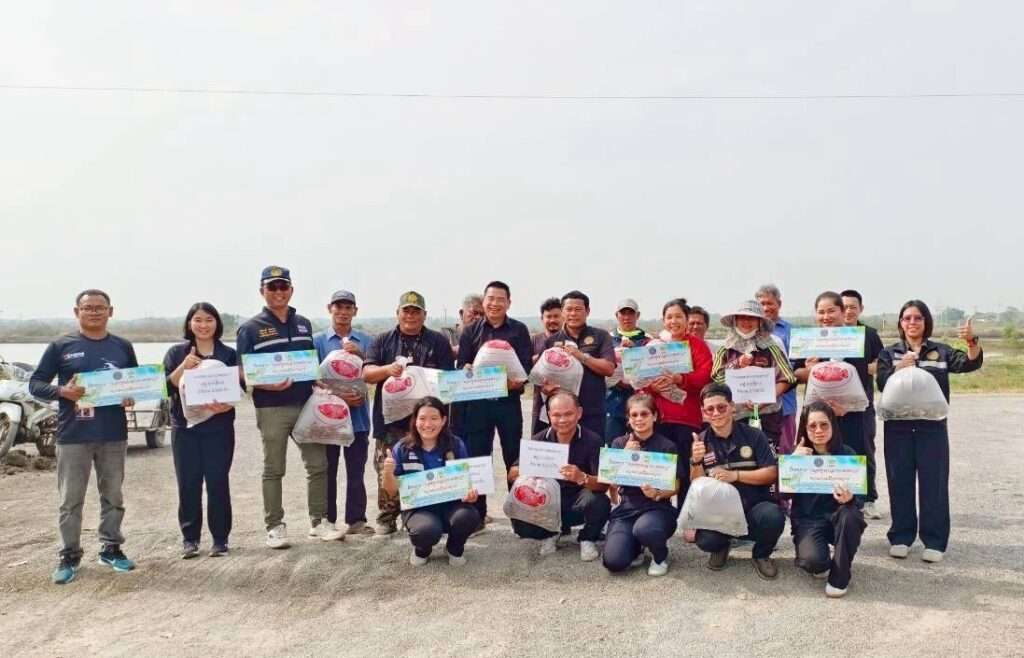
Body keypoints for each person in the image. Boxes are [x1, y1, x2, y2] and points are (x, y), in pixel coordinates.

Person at [30, 289, 139, 584]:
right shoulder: (60, 346)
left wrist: (130, 396)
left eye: (100, 307)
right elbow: (35, 384)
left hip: (113, 433)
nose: (94, 312)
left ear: (110, 311)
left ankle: (111, 548)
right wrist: (61, 391)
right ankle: (69, 554)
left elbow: (134, 384)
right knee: (70, 499)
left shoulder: (123, 346)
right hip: (73, 434)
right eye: (88, 307)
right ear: (77, 311)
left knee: (113, 495)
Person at [876, 300, 982, 563]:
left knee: (934, 483)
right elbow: (881, 382)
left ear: (926, 322)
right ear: (901, 323)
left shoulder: (941, 352)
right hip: (898, 427)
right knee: (899, 481)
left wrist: (972, 342)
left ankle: (934, 541)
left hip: (932, 427)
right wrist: (899, 368)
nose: (912, 322)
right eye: (907, 318)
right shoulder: (889, 353)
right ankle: (901, 537)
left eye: (918, 318)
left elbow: (969, 363)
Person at [236, 266, 326, 549]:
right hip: (272, 408)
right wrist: (265, 385)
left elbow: (309, 362)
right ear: (262, 291)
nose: (278, 292)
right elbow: (241, 371)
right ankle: (274, 526)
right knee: (274, 469)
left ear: (291, 290)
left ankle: (319, 522)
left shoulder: (304, 324)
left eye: (283, 286)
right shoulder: (250, 328)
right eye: (272, 287)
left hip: (306, 405)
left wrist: (317, 381)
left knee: (318, 465)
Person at [363, 291, 455, 536]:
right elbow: (367, 374)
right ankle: (387, 516)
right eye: (406, 311)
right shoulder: (383, 340)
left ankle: (426, 514)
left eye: (416, 311)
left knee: (428, 466)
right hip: (391, 423)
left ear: (425, 315)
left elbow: (449, 379)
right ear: (398, 313)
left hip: (427, 423)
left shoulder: (438, 341)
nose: (411, 316)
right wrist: (388, 370)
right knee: (388, 466)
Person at [163, 303, 239, 559]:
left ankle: (220, 539)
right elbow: (166, 387)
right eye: (198, 320)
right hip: (185, 429)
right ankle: (190, 539)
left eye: (209, 319)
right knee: (188, 483)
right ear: (189, 324)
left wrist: (226, 405)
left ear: (217, 323)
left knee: (218, 482)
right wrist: (184, 366)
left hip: (219, 427)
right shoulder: (176, 352)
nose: (203, 325)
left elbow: (237, 389)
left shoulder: (228, 354)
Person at [456, 281, 532, 527]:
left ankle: (519, 515)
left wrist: (511, 382)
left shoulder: (519, 330)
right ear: (484, 301)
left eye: (501, 299)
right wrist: (467, 369)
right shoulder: (470, 331)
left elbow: (526, 369)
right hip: (478, 406)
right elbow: (462, 366)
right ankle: (477, 515)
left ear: (509, 303)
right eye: (490, 298)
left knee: (514, 456)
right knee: (479, 459)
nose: (495, 303)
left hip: (508, 404)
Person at [691, 383, 786, 580]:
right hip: (721, 513)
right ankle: (721, 547)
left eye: (721, 407)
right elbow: (697, 486)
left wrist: (736, 476)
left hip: (753, 508)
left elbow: (771, 473)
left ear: (732, 407)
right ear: (703, 412)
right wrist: (696, 461)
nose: (716, 413)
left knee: (773, 516)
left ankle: (761, 555)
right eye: (710, 409)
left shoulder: (754, 435)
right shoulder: (700, 440)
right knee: (705, 539)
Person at [508, 392, 610, 561]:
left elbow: (603, 485)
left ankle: (587, 538)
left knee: (599, 501)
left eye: (568, 414)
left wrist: (582, 477)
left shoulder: (593, 440)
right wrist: (527, 470)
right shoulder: (538, 440)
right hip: (547, 500)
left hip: (577, 501)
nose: (562, 420)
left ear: (579, 413)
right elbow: (512, 474)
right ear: (549, 415)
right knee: (520, 523)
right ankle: (550, 533)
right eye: (556, 415)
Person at [380, 397, 481, 566]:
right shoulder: (402, 448)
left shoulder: (455, 444)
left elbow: (467, 481)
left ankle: (454, 548)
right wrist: (388, 472)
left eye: (434, 418)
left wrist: (470, 492)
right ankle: (422, 550)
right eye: (422, 418)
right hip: (418, 509)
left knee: (468, 516)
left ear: (443, 420)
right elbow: (391, 490)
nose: (427, 424)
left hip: (451, 505)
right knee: (426, 530)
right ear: (415, 420)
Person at [793, 292, 871, 500]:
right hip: (815, 416)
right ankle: (810, 512)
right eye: (821, 312)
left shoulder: (856, 340)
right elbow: (796, 374)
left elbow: (862, 378)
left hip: (848, 415)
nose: (826, 316)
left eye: (831, 311)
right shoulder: (808, 341)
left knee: (848, 462)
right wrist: (809, 369)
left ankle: (852, 506)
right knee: (812, 462)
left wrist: (847, 407)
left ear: (842, 312)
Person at [312, 290, 375, 538]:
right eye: (338, 307)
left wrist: (361, 355)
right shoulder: (318, 341)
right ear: (330, 308)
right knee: (327, 470)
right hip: (328, 417)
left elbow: (373, 371)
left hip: (358, 418)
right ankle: (327, 520)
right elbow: (312, 378)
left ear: (355, 311)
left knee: (356, 471)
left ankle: (356, 519)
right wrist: (339, 395)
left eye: (348, 307)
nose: (343, 312)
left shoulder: (366, 340)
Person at [788, 401, 867, 598]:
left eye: (824, 425)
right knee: (813, 562)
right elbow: (783, 495)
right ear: (805, 429)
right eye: (812, 426)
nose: (818, 430)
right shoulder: (798, 454)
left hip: (839, 517)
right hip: (809, 520)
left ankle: (840, 577)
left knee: (851, 515)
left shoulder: (847, 454)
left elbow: (860, 499)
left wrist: (850, 498)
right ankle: (822, 560)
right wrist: (792, 463)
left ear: (833, 425)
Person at [602, 394, 680, 576]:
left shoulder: (667, 446)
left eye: (644, 414)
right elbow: (611, 482)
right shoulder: (619, 443)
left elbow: (676, 486)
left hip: (657, 508)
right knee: (614, 562)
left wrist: (657, 493)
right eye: (634, 415)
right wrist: (624, 456)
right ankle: (636, 547)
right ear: (628, 419)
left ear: (654, 416)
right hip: (627, 509)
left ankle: (660, 556)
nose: (639, 419)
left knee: (645, 529)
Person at [645, 298, 713, 505]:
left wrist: (681, 379)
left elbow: (706, 377)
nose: (673, 321)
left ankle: (686, 513)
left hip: (687, 418)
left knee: (685, 469)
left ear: (686, 319)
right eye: (669, 317)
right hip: (660, 418)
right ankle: (660, 512)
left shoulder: (697, 345)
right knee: (661, 470)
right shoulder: (655, 346)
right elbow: (641, 380)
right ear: (663, 320)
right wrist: (652, 388)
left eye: (678, 317)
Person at [710, 300, 797, 451]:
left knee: (768, 454)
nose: (746, 322)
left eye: (751, 318)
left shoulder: (772, 347)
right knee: (739, 455)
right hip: (734, 416)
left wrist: (766, 398)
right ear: (735, 321)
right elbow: (716, 377)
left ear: (760, 322)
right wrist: (737, 364)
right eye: (742, 317)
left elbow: (788, 377)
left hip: (768, 415)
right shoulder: (725, 349)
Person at [840, 289, 886, 519]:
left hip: (861, 404)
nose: (848, 311)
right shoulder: (829, 335)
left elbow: (883, 360)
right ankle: (839, 498)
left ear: (861, 309)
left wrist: (869, 367)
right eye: (844, 307)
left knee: (864, 450)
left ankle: (868, 499)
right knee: (836, 451)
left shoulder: (869, 334)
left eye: (853, 307)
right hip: (833, 405)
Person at [542, 291, 616, 436]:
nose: (573, 314)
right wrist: (546, 389)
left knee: (593, 448)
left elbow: (609, 369)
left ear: (587, 311)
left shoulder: (601, 336)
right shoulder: (551, 341)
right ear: (562, 312)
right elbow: (542, 378)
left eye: (578, 309)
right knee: (561, 449)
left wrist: (581, 356)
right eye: (569, 309)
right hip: (562, 413)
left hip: (593, 411)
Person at [756, 284, 799, 454]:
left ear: (779, 304)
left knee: (783, 454)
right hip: (751, 407)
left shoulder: (791, 332)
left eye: (770, 303)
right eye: (762, 304)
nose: (766, 308)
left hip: (785, 406)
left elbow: (796, 369)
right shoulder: (749, 332)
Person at [605, 298, 652, 443]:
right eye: (623, 313)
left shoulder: (648, 341)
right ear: (616, 315)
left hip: (640, 404)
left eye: (630, 313)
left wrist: (635, 351)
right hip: (612, 403)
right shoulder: (606, 339)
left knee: (641, 445)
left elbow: (652, 370)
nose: (626, 317)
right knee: (613, 446)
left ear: (637, 315)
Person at [531, 297, 563, 434]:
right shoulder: (534, 340)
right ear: (542, 319)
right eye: (548, 317)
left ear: (563, 317)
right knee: (540, 440)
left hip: (565, 401)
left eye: (556, 316)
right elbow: (525, 367)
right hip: (540, 402)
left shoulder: (570, 340)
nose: (552, 320)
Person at [442, 293, 484, 359]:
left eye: (482, 314)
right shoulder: (445, 335)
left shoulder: (485, 337)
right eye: (475, 313)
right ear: (461, 313)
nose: (478, 317)